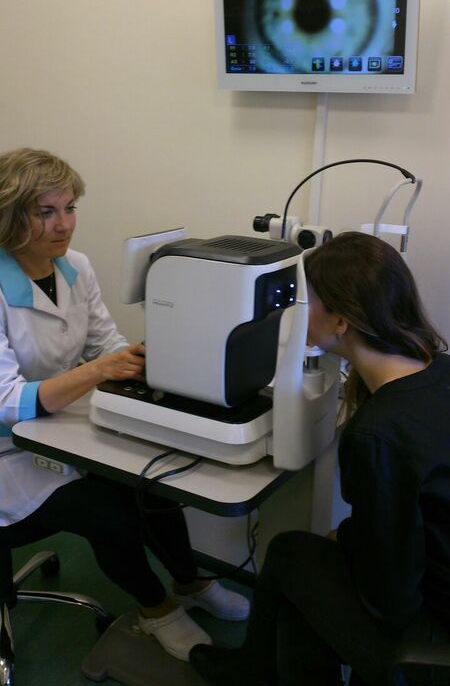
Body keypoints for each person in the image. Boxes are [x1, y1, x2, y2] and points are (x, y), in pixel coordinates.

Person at [0, 147, 249, 662]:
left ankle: (190, 582)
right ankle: (157, 610)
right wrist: (100, 371)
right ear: (8, 215)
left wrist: (147, 357)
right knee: (109, 514)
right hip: (9, 454)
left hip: (61, 426)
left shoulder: (75, 267)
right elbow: (6, 402)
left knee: (155, 477)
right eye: (45, 212)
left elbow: (104, 343)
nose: (63, 225)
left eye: (69, 208)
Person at [189, 231, 450, 685]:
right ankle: (257, 670)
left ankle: (253, 670)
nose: (298, 310)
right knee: (303, 568)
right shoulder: (439, 370)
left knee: (290, 556)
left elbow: (389, 597)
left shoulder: (377, 435)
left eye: (305, 301)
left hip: (431, 622)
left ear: (342, 321)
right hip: (435, 573)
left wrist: (348, 542)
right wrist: (353, 538)